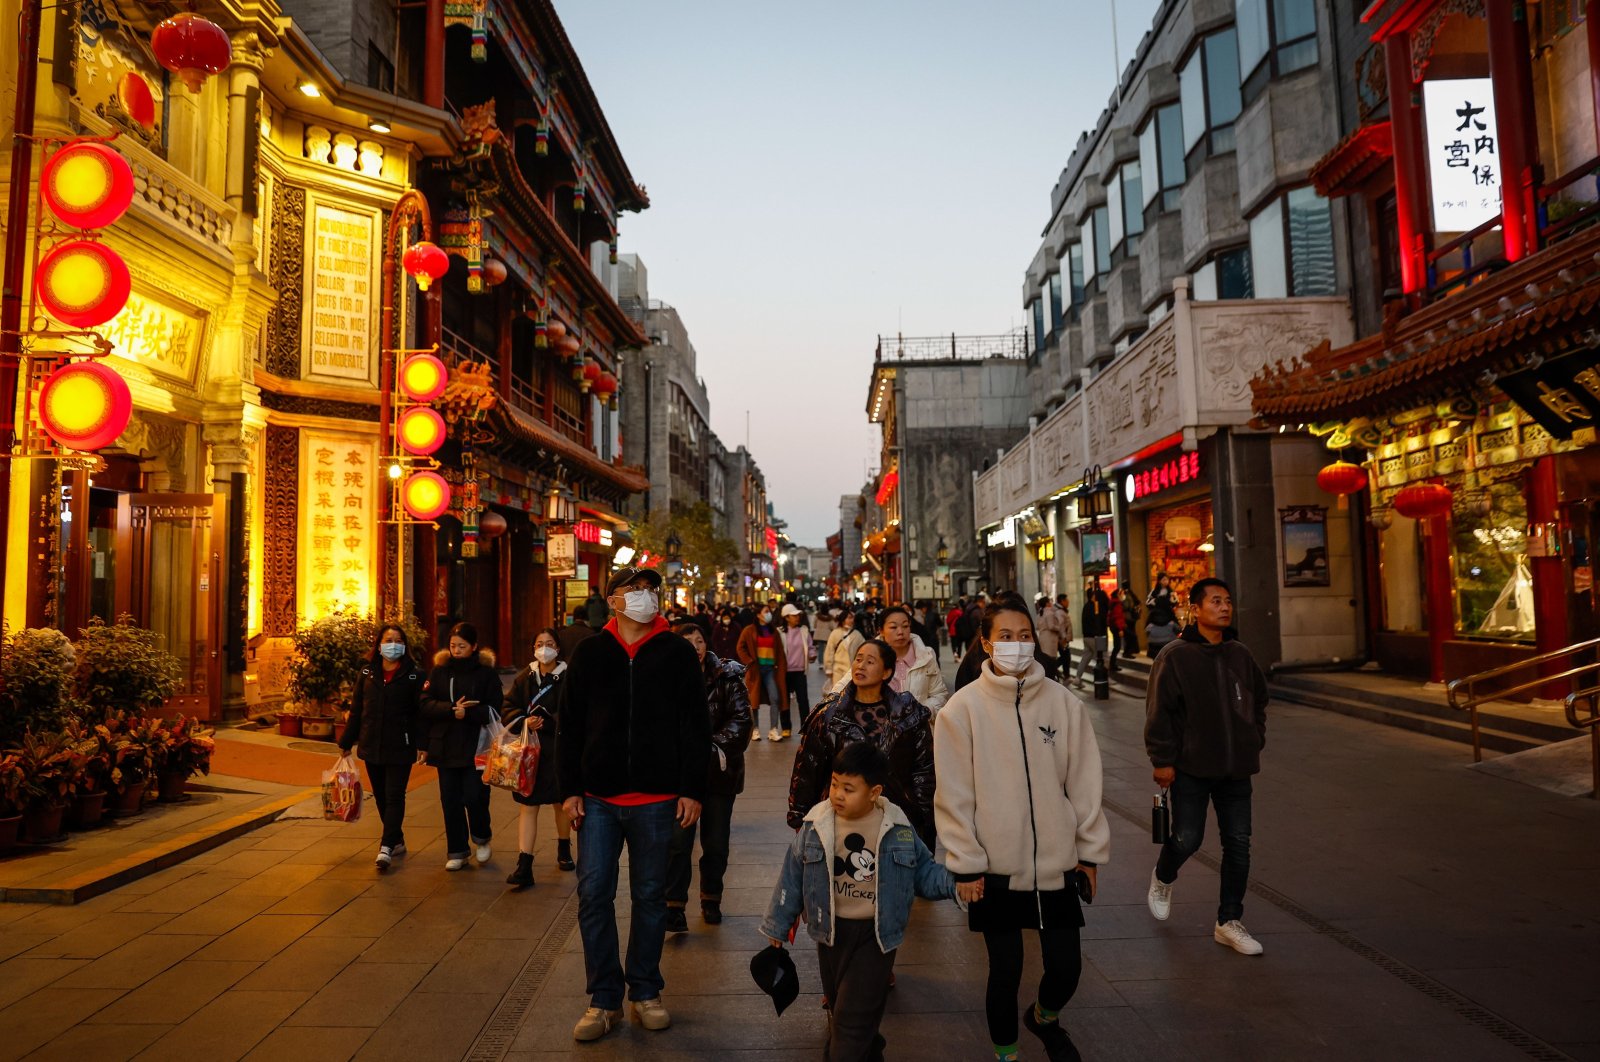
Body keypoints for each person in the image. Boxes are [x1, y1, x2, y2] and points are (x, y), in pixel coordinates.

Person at [935, 598, 1110, 1062]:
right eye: (1005, 637)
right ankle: (1007, 1054)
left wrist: (1088, 853)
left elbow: (1085, 783)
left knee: (1067, 968)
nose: (1016, 644)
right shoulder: (962, 710)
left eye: (1024, 635)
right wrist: (966, 864)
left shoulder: (1063, 703)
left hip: (1057, 864)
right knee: (1006, 970)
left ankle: (1045, 1016)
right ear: (986, 643)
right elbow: (954, 796)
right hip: (993, 868)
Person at [560, 566, 710, 1041]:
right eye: (634, 590)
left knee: (650, 897)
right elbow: (570, 724)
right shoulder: (590, 652)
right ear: (613, 600)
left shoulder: (676, 653)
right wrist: (569, 788)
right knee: (593, 895)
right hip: (598, 797)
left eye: (651, 590)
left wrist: (692, 788)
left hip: (658, 796)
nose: (645, 597)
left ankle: (645, 989)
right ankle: (603, 1000)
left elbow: (695, 726)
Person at [763, 742, 957, 1062]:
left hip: (876, 934)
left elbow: (924, 872)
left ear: (874, 792)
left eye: (849, 788)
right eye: (835, 784)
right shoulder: (817, 825)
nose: (837, 794)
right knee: (842, 1004)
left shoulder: (896, 828)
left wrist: (957, 884)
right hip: (830, 933)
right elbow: (792, 874)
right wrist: (779, 922)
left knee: (851, 1018)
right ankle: (869, 1050)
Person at [1145, 577, 1270, 958]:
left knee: (1238, 845)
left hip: (1236, 769)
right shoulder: (1176, 655)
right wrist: (1163, 760)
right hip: (1192, 768)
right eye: (1215, 601)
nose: (1224, 607)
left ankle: (1228, 921)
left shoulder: (1240, 654)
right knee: (1187, 838)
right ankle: (1163, 875)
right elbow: (1159, 713)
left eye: (1228, 601)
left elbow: (1259, 700)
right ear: (1195, 609)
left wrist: (1253, 738)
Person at [789, 638, 936, 845]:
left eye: (870, 661)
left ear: (886, 672)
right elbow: (808, 768)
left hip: (896, 820)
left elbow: (924, 770)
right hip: (841, 820)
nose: (861, 665)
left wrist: (922, 816)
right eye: (858, 659)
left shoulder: (908, 714)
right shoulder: (830, 716)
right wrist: (799, 817)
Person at [664, 619, 751, 930]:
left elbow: (741, 723)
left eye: (699, 641)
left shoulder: (727, 676)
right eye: (687, 642)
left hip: (718, 775)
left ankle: (711, 897)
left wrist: (707, 749)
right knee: (677, 842)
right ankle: (673, 905)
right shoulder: (665, 678)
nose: (695, 648)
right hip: (679, 775)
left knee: (715, 843)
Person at [339, 624, 424, 871]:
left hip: (401, 745)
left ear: (405, 646)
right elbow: (357, 710)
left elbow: (419, 714)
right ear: (379, 644)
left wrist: (422, 743)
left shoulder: (414, 675)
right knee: (382, 797)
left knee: (395, 795)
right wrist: (346, 741)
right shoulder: (367, 673)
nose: (393, 644)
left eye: (398, 640)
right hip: (371, 744)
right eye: (389, 639)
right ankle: (396, 839)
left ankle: (386, 846)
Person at [420, 622, 503, 871]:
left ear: (474, 646)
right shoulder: (439, 671)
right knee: (450, 800)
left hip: (476, 745)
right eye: (453, 645)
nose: (456, 650)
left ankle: (481, 837)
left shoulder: (486, 674)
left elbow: (495, 709)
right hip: (445, 745)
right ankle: (457, 850)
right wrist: (450, 710)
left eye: (462, 646)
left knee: (475, 796)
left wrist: (468, 713)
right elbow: (424, 703)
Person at [501, 628, 574, 888]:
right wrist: (524, 720)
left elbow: (575, 711)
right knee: (528, 805)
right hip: (529, 753)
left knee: (560, 803)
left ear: (558, 648)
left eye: (550, 643)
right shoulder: (525, 677)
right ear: (533, 648)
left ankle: (564, 848)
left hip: (558, 750)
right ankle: (524, 863)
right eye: (540, 643)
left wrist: (548, 722)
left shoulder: (568, 677)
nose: (545, 648)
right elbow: (508, 707)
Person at [846, 604, 949, 714]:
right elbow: (842, 689)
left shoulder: (926, 655)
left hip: (919, 727)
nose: (900, 632)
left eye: (905, 626)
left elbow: (940, 695)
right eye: (893, 627)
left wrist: (918, 712)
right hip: (881, 727)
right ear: (881, 630)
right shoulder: (869, 654)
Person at [737, 604, 788, 742]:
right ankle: (755, 729)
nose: (768, 614)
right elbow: (740, 647)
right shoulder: (749, 630)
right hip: (756, 670)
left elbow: (780, 652)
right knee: (753, 701)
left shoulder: (774, 631)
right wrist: (749, 661)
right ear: (758, 614)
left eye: (769, 611)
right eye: (766, 611)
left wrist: (782, 667)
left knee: (775, 697)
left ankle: (773, 729)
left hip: (771, 670)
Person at [779, 604, 816, 740]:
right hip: (785, 672)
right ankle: (786, 728)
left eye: (798, 615)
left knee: (803, 701)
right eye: (794, 615)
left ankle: (805, 727)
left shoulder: (804, 630)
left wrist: (812, 654)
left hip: (800, 671)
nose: (797, 617)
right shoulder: (780, 632)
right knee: (784, 701)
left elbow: (811, 647)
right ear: (786, 617)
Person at [1072, 583, 1110, 689]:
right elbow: (1099, 621)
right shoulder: (1095, 607)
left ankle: (1077, 678)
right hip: (1095, 636)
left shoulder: (1086, 606)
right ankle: (1103, 678)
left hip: (1086, 636)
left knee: (1086, 658)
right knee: (1103, 657)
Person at [822, 608, 865, 692]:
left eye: (852, 618)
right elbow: (829, 651)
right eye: (849, 618)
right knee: (837, 693)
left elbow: (864, 649)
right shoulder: (835, 633)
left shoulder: (857, 634)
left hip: (852, 670)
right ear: (843, 619)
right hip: (838, 670)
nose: (851, 620)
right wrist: (829, 668)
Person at [1035, 596, 1068, 682]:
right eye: (1049, 601)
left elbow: (1038, 626)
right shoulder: (1049, 613)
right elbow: (1051, 626)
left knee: (1045, 659)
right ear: (1047, 603)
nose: (1051, 603)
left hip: (1042, 638)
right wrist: (1059, 627)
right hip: (1050, 639)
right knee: (1051, 659)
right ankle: (1052, 677)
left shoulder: (1039, 614)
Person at [1053, 594, 1074, 677]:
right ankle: (1054, 669)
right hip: (1062, 639)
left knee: (1065, 657)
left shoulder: (1060, 610)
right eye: (1066, 601)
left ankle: (1065, 674)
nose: (1068, 602)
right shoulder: (1059, 612)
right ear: (1062, 601)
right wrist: (1064, 638)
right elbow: (1061, 626)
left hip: (1061, 638)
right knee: (1066, 657)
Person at [1119, 583, 1142, 658]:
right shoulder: (1131, 593)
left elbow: (1127, 606)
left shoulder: (1125, 595)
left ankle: (1130, 650)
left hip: (1128, 617)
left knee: (1129, 635)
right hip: (1132, 617)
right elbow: (1137, 602)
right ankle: (1134, 649)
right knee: (1132, 633)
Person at [1107, 593, 1126, 673]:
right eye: (1121, 594)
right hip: (1116, 627)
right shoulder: (1117, 604)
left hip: (1113, 627)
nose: (1122, 595)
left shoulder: (1112, 603)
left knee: (1116, 646)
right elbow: (1117, 617)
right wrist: (1120, 629)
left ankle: (1112, 664)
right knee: (1117, 647)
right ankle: (1112, 664)